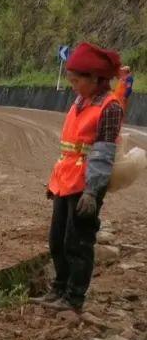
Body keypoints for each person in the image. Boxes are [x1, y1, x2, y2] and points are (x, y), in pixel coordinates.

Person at [32, 42, 124, 312]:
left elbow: (103, 153)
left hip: (86, 184)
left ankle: (74, 298)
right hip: (65, 181)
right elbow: (69, 148)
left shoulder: (110, 107)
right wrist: (54, 182)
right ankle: (59, 288)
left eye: (75, 80)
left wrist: (92, 191)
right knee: (57, 239)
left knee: (78, 241)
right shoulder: (80, 100)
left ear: (95, 79)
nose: (72, 85)